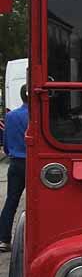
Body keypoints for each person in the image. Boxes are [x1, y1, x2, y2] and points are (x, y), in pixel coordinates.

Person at [0, 84, 28, 252]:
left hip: (16, 163)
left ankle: (3, 239)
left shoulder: (11, 116)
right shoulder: (37, 115)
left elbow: (7, 145)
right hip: (33, 164)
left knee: (11, 201)